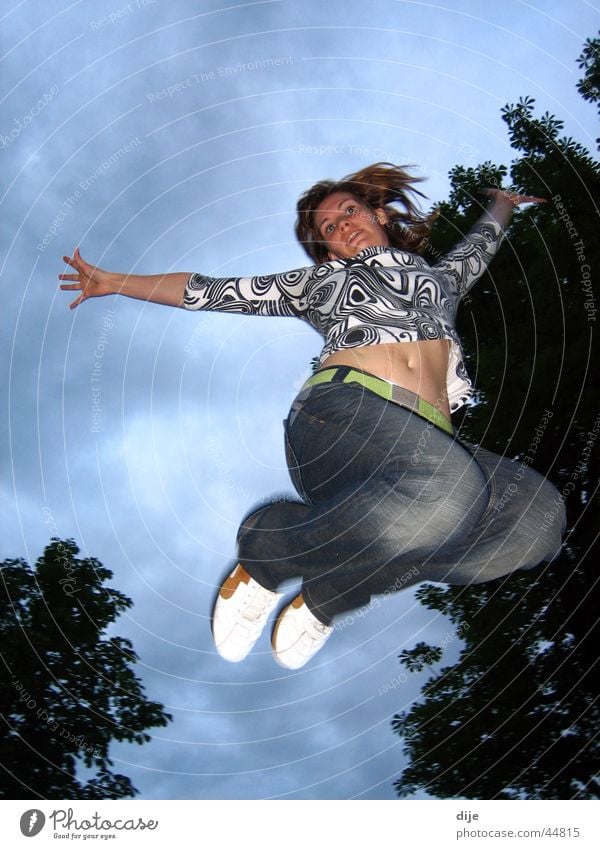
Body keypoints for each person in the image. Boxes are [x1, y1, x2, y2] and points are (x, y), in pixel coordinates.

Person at [60, 162, 566, 671]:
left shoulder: (439, 281)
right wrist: (114, 281)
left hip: (425, 443)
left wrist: (503, 203)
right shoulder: (320, 281)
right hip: (341, 419)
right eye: (330, 228)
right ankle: (270, 547)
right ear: (329, 250)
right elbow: (208, 290)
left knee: (534, 523)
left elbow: (478, 247)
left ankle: (332, 591)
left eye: (350, 211)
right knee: (450, 494)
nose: (344, 224)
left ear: (378, 215)